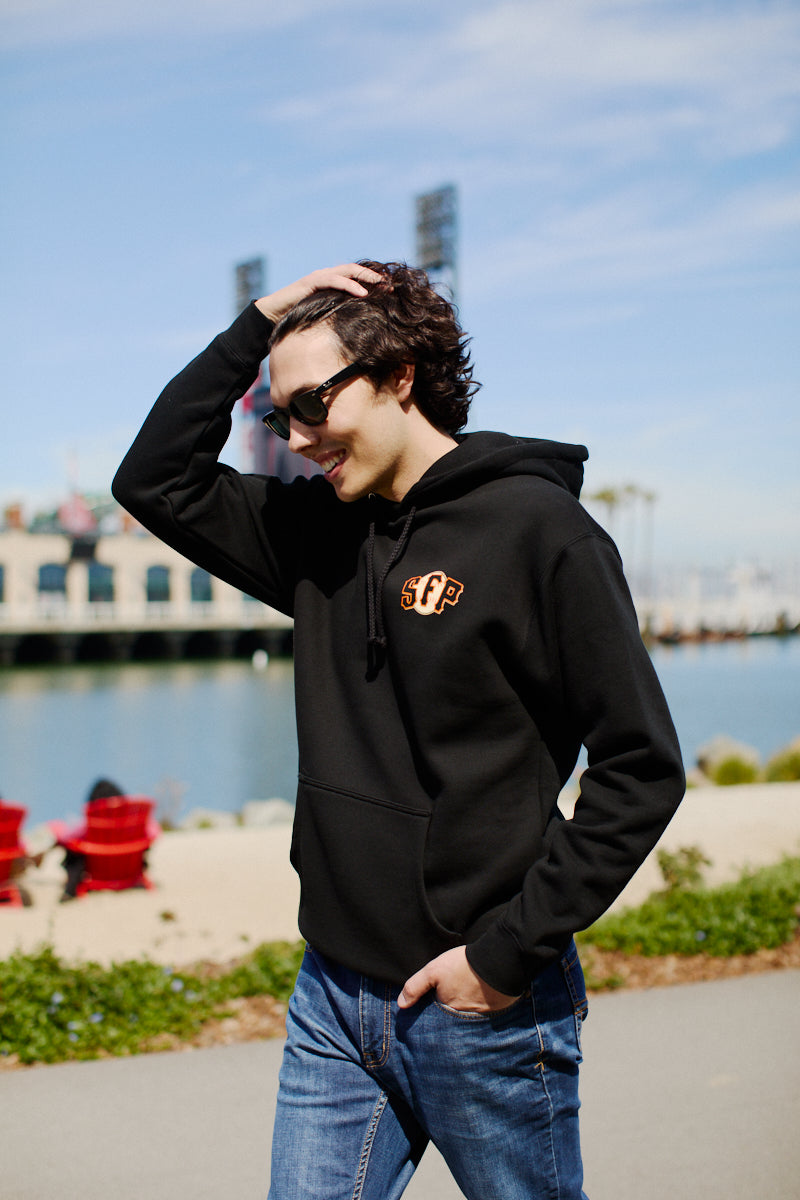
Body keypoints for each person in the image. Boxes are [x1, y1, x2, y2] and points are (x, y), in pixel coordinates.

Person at [113, 261, 685, 1199]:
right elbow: (153, 479)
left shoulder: (540, 532)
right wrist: (255, 326)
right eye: (278, 417)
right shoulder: (317, 533)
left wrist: (503, 958)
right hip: (331, 1000)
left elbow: (641, 766)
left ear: (400, 375)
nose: (297, 441)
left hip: (482, 1009)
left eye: (312, 406)